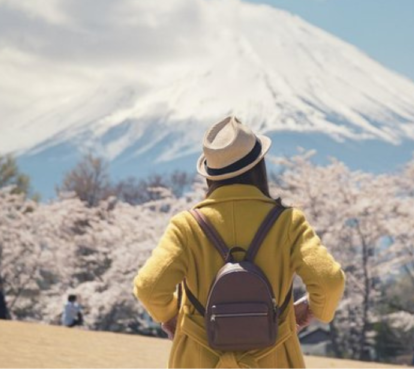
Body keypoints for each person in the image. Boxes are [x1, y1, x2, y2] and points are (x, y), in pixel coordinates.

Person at [134, 116, 346, 368]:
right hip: (273, 357)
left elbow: (148, 287)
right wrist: (312, 310)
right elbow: (330, 281)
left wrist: (172, 318)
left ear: (210, 175)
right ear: (259, 166)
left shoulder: (187, 226)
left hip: (198, 359)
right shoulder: (288, 222)